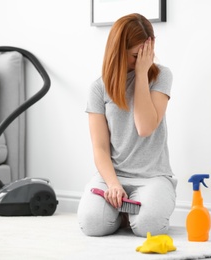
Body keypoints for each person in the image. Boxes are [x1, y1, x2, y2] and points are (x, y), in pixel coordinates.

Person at [77, 13, 177, 238]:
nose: (142, 58)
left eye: (146, 53)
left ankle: (131, 213)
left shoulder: (160, 76)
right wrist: (112, 184)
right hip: (111, 176)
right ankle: (124, 212)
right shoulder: (98, 88)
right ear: (118, 50)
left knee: (149, 227)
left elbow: (145, 127)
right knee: (92, 224)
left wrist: (142, 74)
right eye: (135, 55)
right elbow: (100, 148)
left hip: (153, 177)